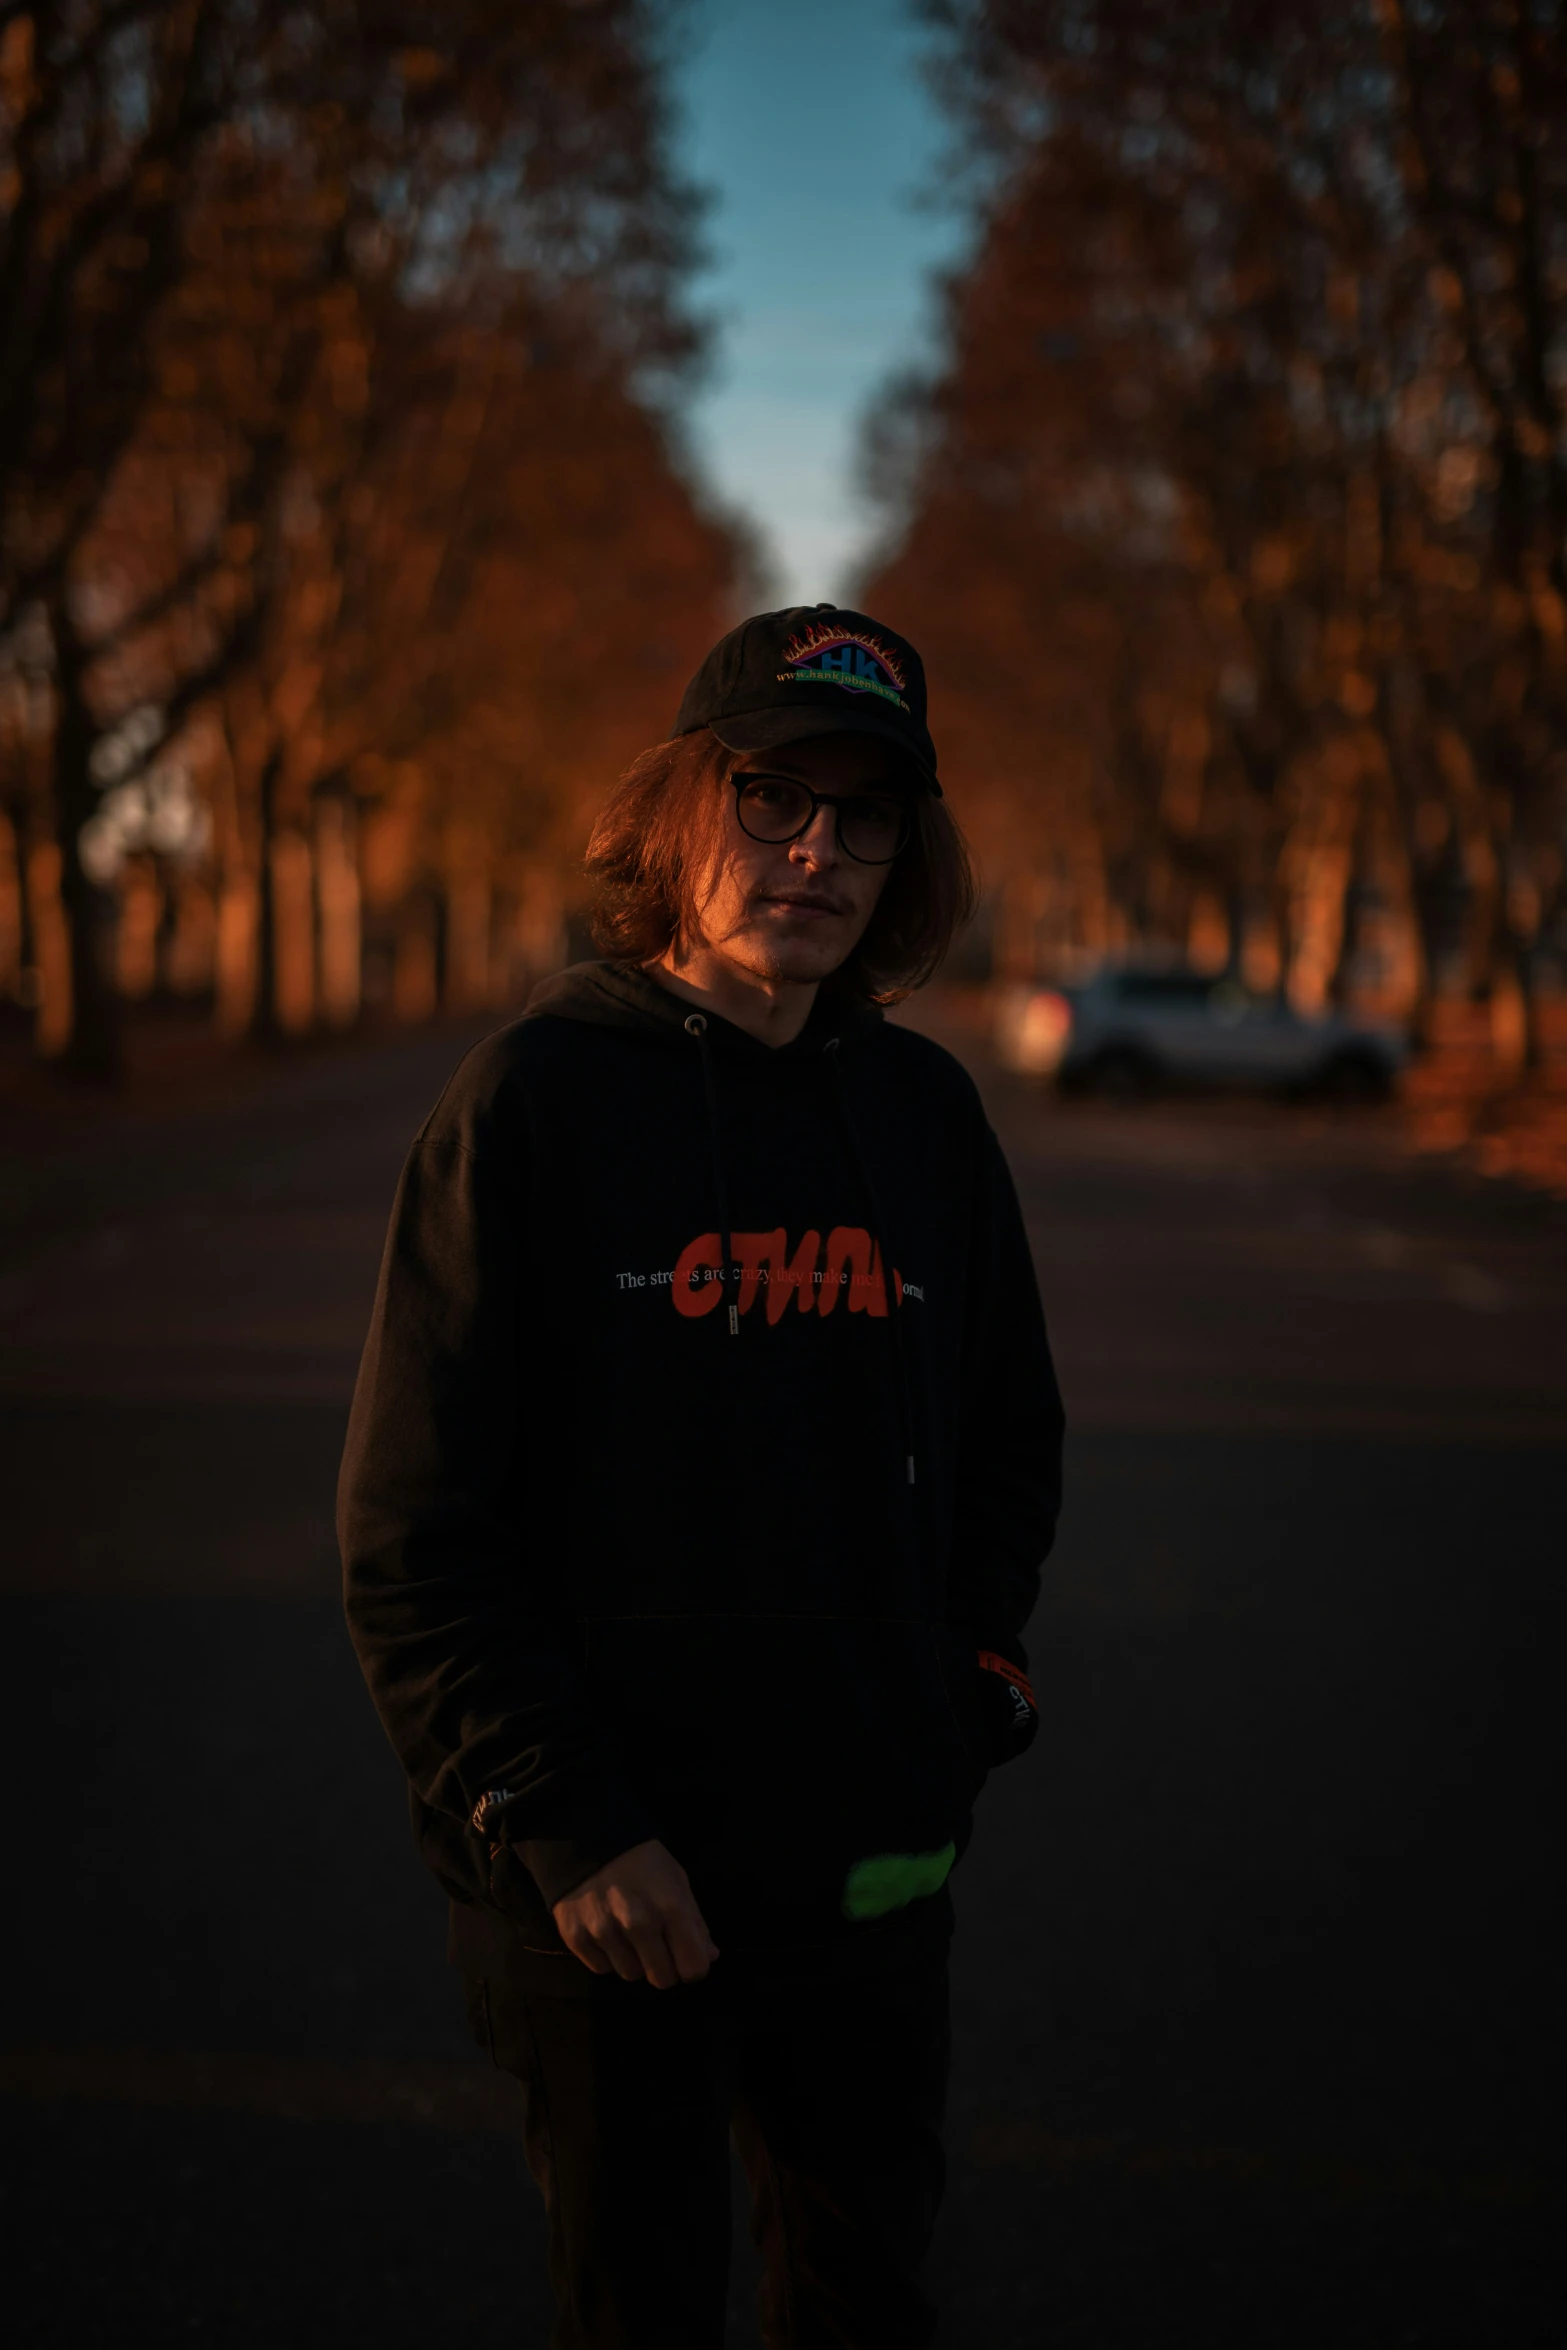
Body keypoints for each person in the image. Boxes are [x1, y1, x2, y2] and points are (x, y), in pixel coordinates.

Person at [339, 603, 1063, 2348]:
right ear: (674, 812)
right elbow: (412, 1530)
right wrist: (569, 1823)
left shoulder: (923, 1115)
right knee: (641, 2307)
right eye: (769, 795)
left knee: (865, 2290)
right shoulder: (532, 1101)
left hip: (871, 1873)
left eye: (864, 814)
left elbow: (1004, 1444)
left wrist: (961, 1700)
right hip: (610, 1902)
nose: (816, 849)